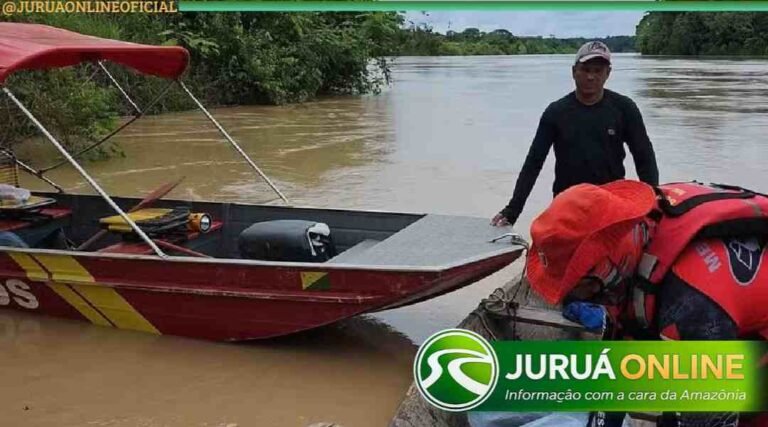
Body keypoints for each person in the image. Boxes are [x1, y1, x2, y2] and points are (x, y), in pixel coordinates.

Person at [525, 179, 768, 427]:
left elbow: (711, 417)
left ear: (609, 265)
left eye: (580, 285)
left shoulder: (689, 302)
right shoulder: (642, 230)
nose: (578, 298)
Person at [491, 41, 659, 228]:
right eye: (585, 69)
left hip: (612, 203)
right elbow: (533, 164)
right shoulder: (556, 112)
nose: (590, 77)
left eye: (597, 71)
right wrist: (513, 210)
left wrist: (652, 203)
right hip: (567, 206)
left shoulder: (624, 109)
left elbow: (644, 157)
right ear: (573, 71)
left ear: (608, 73)